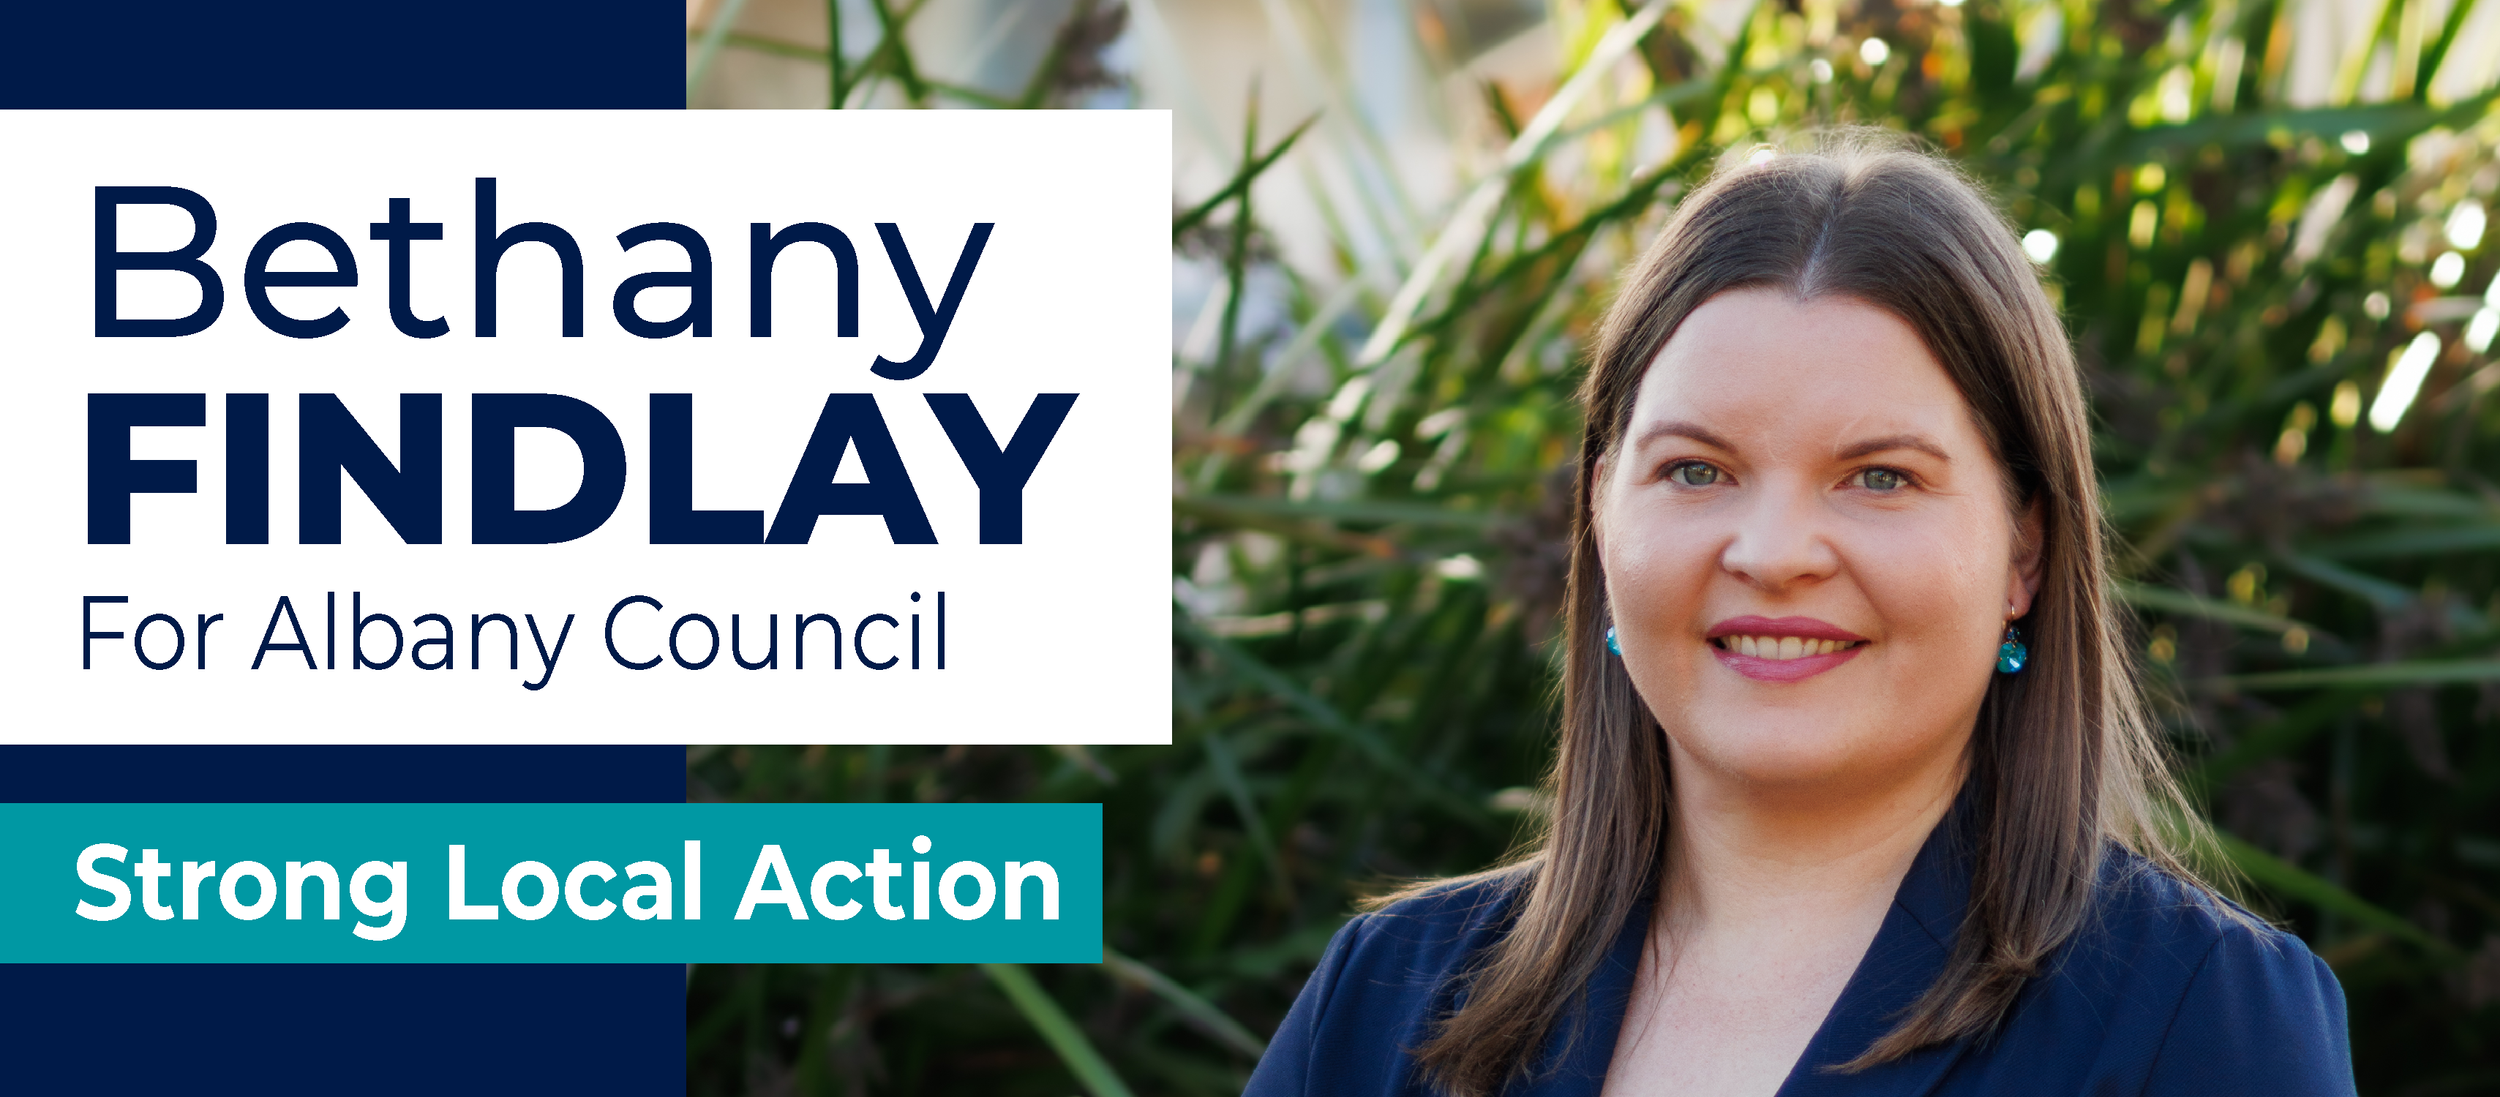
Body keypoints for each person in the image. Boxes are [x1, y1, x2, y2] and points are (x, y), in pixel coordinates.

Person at [1241, 134, 2353, 1097]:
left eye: (1878, 477)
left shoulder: (2201, 1016)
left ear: (2024, 550)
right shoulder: (1379, 1005)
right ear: (1598, 519)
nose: (1771, 554)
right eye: (1693, 470)